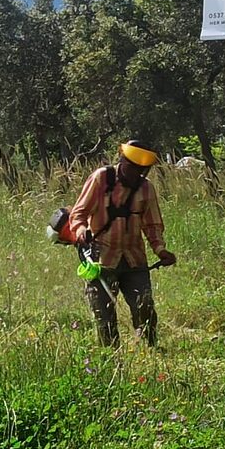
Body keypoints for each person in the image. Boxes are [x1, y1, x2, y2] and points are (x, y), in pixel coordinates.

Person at [67, 139, 177, 346]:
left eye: (140, 170)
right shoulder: (101, 179)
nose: (135, 173)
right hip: (101, 259)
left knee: (145, 308)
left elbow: (152, 225)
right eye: (131, 167)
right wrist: (81, 231)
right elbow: (78, 213)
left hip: (134, 259)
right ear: (122, 160)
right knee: (104, 316)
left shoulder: (146, 189)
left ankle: (149, 350)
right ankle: (112, 359)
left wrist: (160, 250)